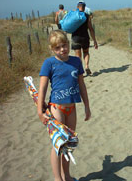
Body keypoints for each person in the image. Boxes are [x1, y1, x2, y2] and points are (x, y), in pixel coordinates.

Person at [37, 30, 91, 181]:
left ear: (68, 43)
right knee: (58, 145)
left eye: (64, 45)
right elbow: (42, 87)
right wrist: (40, 111)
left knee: (68, 145)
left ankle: (66, 175)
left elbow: (81, 84)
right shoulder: (49, 63)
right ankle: (57, 178)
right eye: (58, 47)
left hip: (72, 108)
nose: (62, 49)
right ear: (52, 49)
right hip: (56, 108)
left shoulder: (76, 62)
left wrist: (87, 106)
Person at [71, 0, 98, 76]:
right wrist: (95, 40)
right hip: (85, 37)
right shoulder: (86, 16)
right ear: (84, 7)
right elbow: (91, 29)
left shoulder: (74, 15)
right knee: (86, 52)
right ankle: (86, 66)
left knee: (77, 56)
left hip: (75, 38)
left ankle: (80, 71)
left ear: (77, 7)